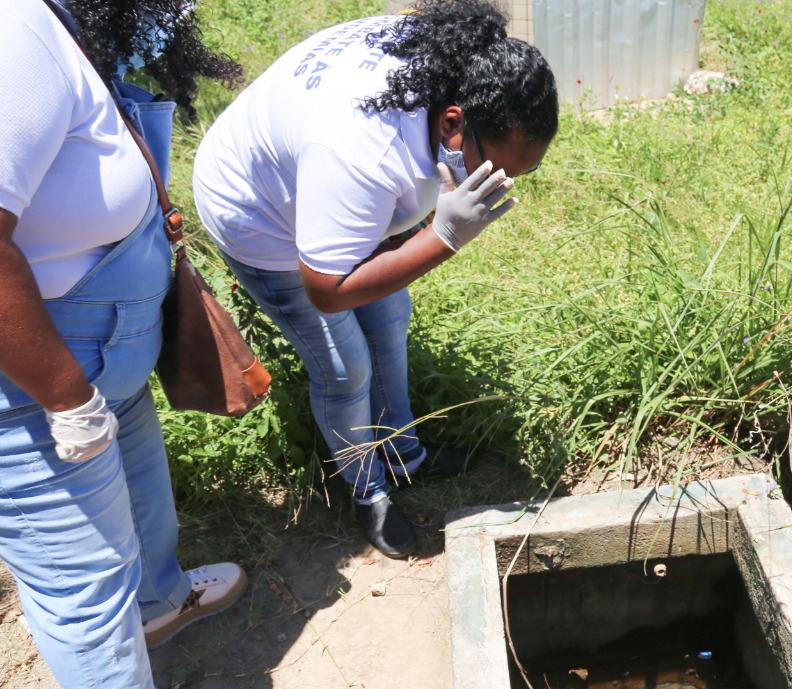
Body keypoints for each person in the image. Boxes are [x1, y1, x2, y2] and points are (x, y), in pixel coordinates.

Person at [0, 0, 268, 689]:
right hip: (20, 381)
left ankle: (160, 604)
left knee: (141, 500)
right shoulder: (1, 31)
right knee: (79, 573)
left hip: (95, 358)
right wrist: (66, 396)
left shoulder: (55, 24)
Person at [193, 0, 558, 558]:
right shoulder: (361, 149)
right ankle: (368, 492)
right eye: (496, 168)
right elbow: (327, 288)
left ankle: (403, 454)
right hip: (260, 215)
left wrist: (420, 227)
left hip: (324, 183)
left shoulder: (446, 65)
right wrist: (443, 238)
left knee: (389, 315)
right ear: (453, 122)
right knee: (344, 367)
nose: (501, 183)